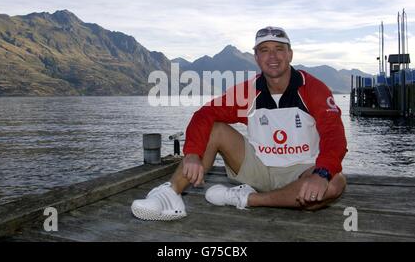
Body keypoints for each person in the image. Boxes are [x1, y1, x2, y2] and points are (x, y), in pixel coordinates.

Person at [131, 26, 347, 221]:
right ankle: (170, 195)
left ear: (290, 54)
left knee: (335, 182)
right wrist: (192, 153)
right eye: (264, 50)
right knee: (214, 128)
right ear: (256, 57)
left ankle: (247, 199)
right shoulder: (248, 91)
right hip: (259, 169)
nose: (272, 56)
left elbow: (333, 134)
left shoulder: (313, 89)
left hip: (301, 170)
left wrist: (321, 174)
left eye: (279, 49)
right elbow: (205, 113)